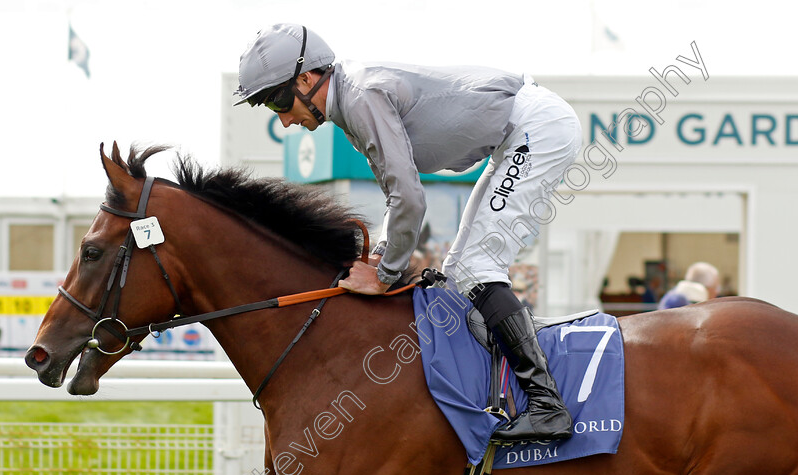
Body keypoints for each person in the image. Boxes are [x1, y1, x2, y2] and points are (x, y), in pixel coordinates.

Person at [234, 24, 582, 443]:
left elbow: (410, 200)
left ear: (307, 78)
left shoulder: (360, 98)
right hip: (514, 134)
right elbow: (398, 199)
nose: (284, 119)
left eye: (279, 100)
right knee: (457, 274)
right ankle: (491, 393)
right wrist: (382, 258)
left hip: (536, 127)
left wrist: (382, 275)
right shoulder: (350, 103)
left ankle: (547, 406)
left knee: (477, 265)